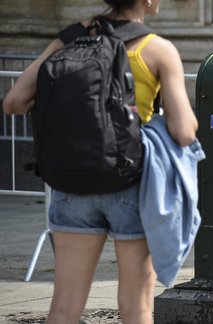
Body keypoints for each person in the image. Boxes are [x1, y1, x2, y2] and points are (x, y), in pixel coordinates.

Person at [3, 0, 198, 323]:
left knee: (65, 307)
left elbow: (13, 101)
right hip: (130, 182)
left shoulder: (69, 39)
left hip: (70, 182)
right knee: (136, 307)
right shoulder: (158, 49)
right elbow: (184, 131)